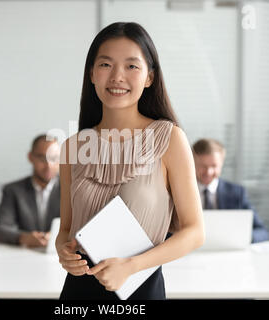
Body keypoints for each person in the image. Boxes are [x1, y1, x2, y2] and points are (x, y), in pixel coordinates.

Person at [56, 22, 205, 300]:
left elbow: (195, 232)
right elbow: (66, 228)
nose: (117, 76)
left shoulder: (169, 138)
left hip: (141, 288)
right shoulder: (73, 147)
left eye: (132, 66)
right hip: (79, 292)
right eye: (105, 65)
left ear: (149, 77)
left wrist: (131, 266)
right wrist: (63, 251)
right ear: (91, 73)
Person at [192, 138, 269, 243]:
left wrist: (242, 237)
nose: (208, 172)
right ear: (192, 163)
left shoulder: (237, 193)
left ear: (222, 164)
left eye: (214, 166)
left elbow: (262, 231)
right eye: (203, 166)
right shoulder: (179, 192)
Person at [0, 134, 60, 248]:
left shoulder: (71, 190)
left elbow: (81, 229)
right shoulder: (13, 190)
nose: (48, 165)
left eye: (54, 159)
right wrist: (24, 237)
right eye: (42, 158)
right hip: (24, 257)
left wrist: (56, 236)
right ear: (30, 157)